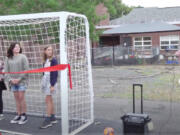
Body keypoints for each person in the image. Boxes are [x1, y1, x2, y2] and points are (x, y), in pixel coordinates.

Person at [4, 42, 29, 124]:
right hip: (12, 82)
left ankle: (24, 116)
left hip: (22, 81)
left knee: (21, 98)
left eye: (18, 47)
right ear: (12, 48)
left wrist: (19, 79)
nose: (17, 48)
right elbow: (6, 71)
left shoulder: (23, 57)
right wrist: (11, 80)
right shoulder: (8, 58)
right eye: (15, 47)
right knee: (17, 99)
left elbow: (26, 69)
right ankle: (18, 114)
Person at [40, 46, 58, 129]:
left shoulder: (53, 60)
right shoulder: (45, 61)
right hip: (45, 81)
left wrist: (52, 85)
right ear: (45, 51)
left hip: (51, 82)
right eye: (48, 50)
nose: (50, 51)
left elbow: (55, 73)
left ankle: (48, 120)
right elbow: (44, 73)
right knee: (49, 99)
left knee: (47, 99)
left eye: (51, 50)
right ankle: (53, 117)